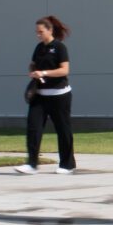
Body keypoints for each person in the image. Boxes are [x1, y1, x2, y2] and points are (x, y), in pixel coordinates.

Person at [17, 14, 75, 174]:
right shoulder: (39, 47)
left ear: (50, 30)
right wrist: (33, 72)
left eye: (40, 31)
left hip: (59, 95)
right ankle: (32, 164)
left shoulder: (59, 47)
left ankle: (67, 164)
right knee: (33, 127)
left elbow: (64, 70)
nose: (38, 34)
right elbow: (32, 64)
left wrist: (44, 73)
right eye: (36, 32)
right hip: (40, 95)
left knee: (63, 129)